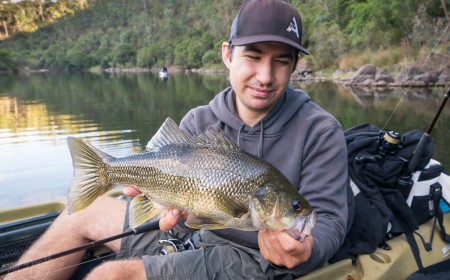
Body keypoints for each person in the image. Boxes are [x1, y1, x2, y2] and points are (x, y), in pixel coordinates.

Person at [6, 1, 350, 279]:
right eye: (254, 56)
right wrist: (160, 205)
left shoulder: (321, 131)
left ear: (294, 67)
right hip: (192, 234)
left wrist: (308, 249)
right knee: (79, 213)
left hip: (254, 257)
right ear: (228, 54)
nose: (265, 75)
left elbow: (330, 220)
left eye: (281, 61)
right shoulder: (199, 119)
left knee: (110, 276)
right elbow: (175, 207)